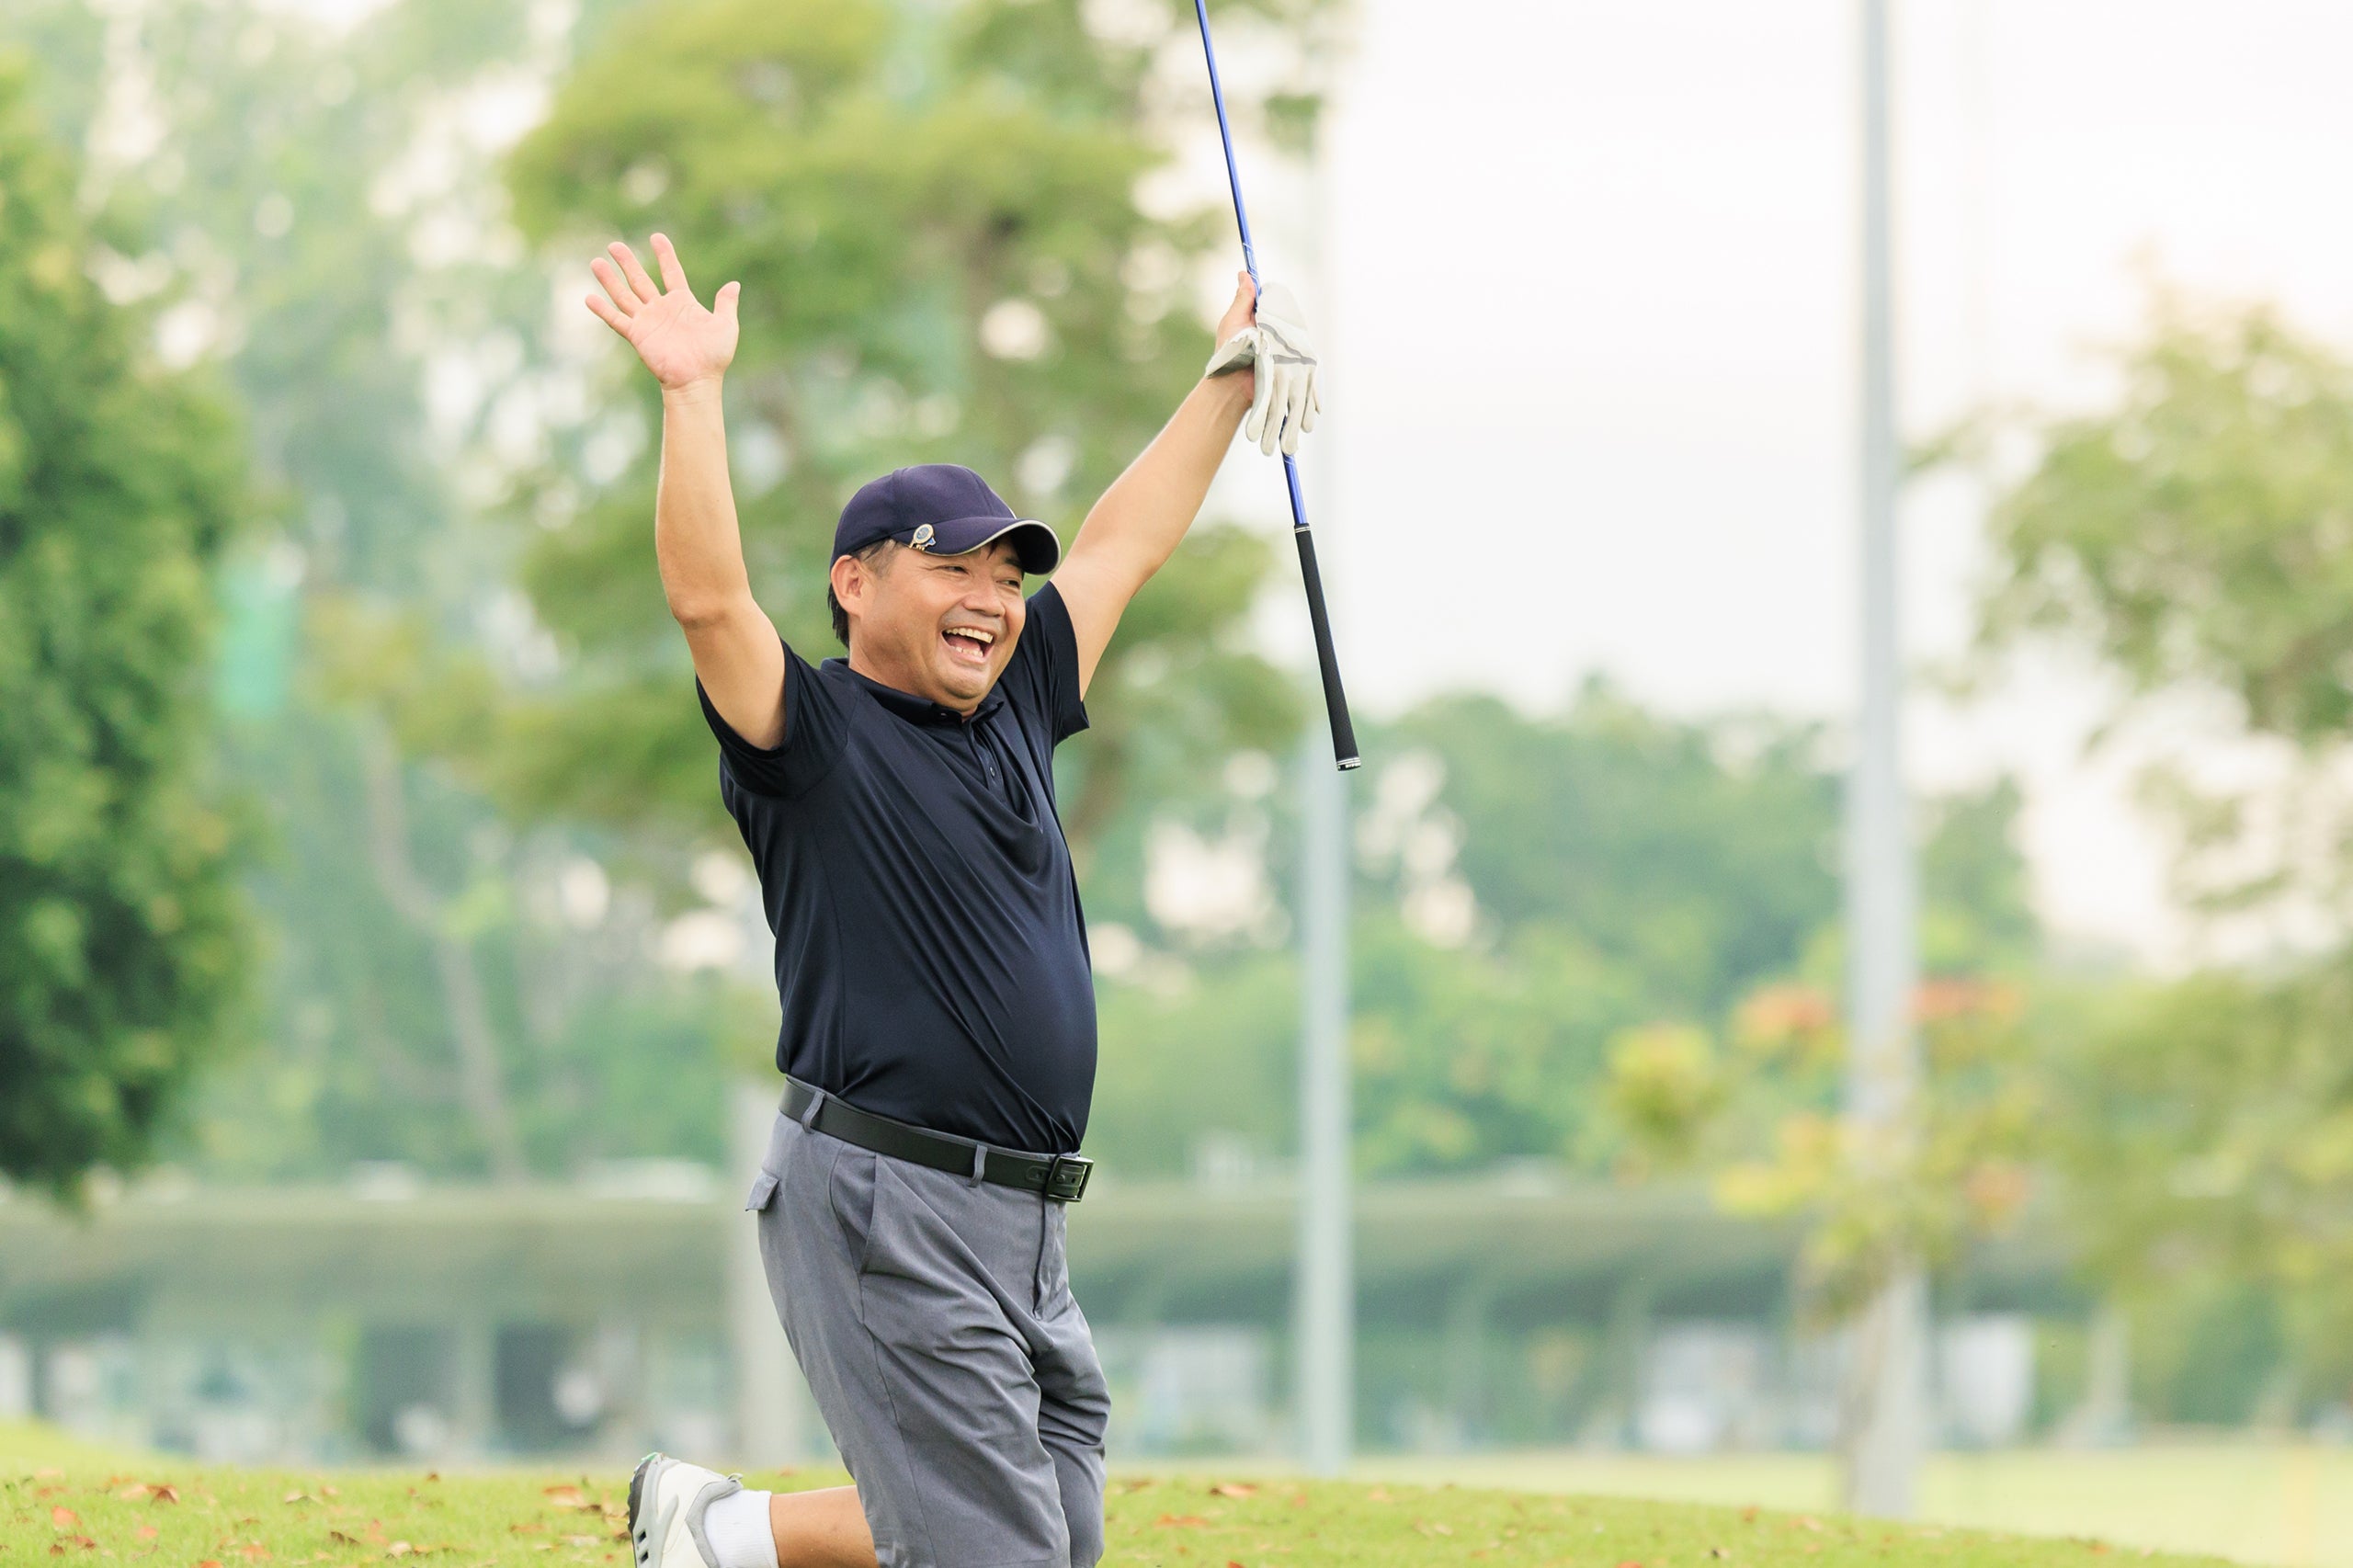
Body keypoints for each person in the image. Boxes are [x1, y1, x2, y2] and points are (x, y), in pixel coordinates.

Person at [580, 233, 1319, 1568]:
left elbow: (1123, 546)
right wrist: (692, 395)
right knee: (1000, 1548)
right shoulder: (810, 736)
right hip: (888, 1199)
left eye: (1006, 577)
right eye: (954, 567)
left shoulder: (1019, 704)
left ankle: (725, 1535)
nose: (992, 598)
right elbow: (708, 602)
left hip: (1025, 1222)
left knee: (1052, 1534)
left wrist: (1228, 375)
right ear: (855, 583)